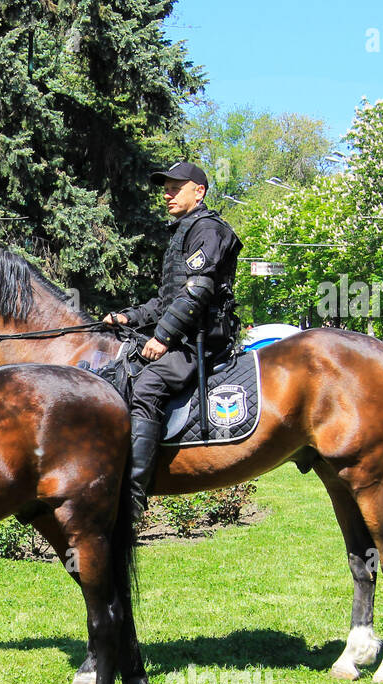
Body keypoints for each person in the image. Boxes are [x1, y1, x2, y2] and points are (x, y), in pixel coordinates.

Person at [101, 161, 243, 506]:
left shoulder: (207, 229)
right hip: (184, 335)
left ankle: (132, 496)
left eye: (175, 187)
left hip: (201, 342)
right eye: (165, 188)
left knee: (147, 387)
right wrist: (127, 317)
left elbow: (197, 292)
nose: (167, 194)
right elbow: (168, 300)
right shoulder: (184, 229)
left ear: (200, 191)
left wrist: (162, 337)